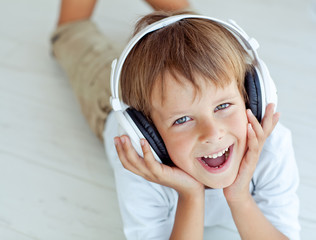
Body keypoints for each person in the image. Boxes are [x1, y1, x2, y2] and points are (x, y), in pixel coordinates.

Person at [51, 0, 300, 239]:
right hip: (109, 97)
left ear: (249, 97)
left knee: (186, 29)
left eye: (223, 105)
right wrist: (190, 195)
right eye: (182, 120)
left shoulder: (272, 147)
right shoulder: (142, 165)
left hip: (180, 67)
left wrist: (239, 196)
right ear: (147, 133)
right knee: (73, 33)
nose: (213, 134)